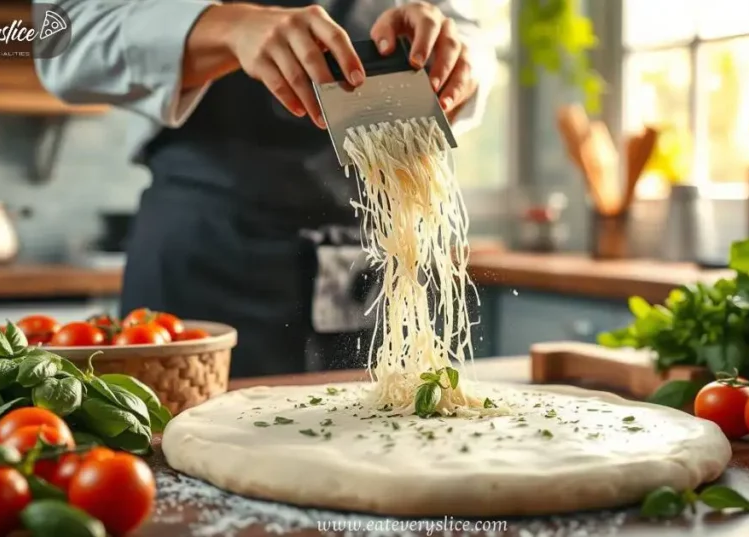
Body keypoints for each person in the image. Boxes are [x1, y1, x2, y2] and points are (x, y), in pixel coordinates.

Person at [35, 0, 496, 378]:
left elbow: (465, 26)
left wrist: (459, 54)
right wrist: (228, 27)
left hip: (374, 246)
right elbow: (65, 35)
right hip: (207, 253)